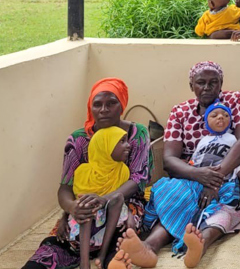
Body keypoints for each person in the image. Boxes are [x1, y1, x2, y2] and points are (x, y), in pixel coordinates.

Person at [118, 61, 240, 268]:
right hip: (193, 172)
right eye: (201, 82)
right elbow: (169, 159)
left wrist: (214, 181)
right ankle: (149, 246)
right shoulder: (180, 112)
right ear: (191, 85)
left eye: (214, 82)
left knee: (223, 207)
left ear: (221, 84)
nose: (207, 87)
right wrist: (199, 175)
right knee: (178, 199)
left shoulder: (234, 99)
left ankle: (199, 244)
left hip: (234, 170)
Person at [23, 78, 152, 269]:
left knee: (123, 238)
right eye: (97, 104)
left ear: (122, 105)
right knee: (53, 247)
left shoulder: (136, 134)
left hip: (125, 200)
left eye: (111, 103)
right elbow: (65, 188)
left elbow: (137, 180)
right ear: (90, 107)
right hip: (84, 203)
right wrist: (72, 208)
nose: (104, 109)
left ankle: (112, 260)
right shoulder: (78, 140)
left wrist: (104, 199)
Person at [71, 127, 132, 269]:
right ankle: (84, 263)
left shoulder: (123, 170)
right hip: (85, 223)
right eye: (122, 141)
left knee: (118, 197)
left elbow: (122, 200)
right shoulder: (83, 172)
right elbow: (77, 203)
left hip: (109, 219)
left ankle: (103, 255)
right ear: (105, 146)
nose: (128, 145)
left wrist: (129, 214)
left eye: (127, 140)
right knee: (87, 202)